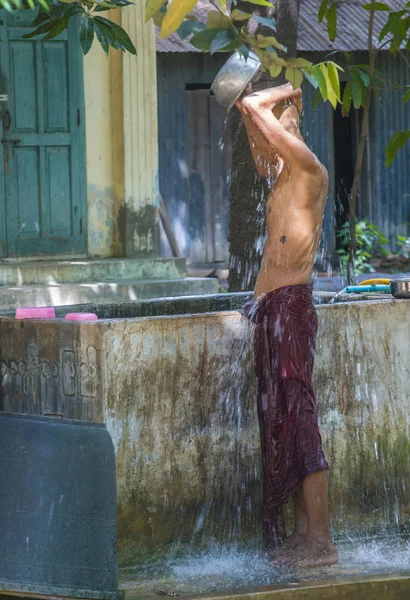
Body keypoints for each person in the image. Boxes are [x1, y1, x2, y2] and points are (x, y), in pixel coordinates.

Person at [236, 83, 338, 568]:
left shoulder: (308, 169)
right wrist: (246, 112)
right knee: (279, 424)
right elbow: (259, 147)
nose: (271, 136)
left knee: (299, 419)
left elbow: (261, 112)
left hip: (291, 308)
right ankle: (302, 536)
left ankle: (322, 540)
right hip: (271, 309)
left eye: (283, 124)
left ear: (294, 131)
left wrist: (268, 96)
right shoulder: (279, 177)